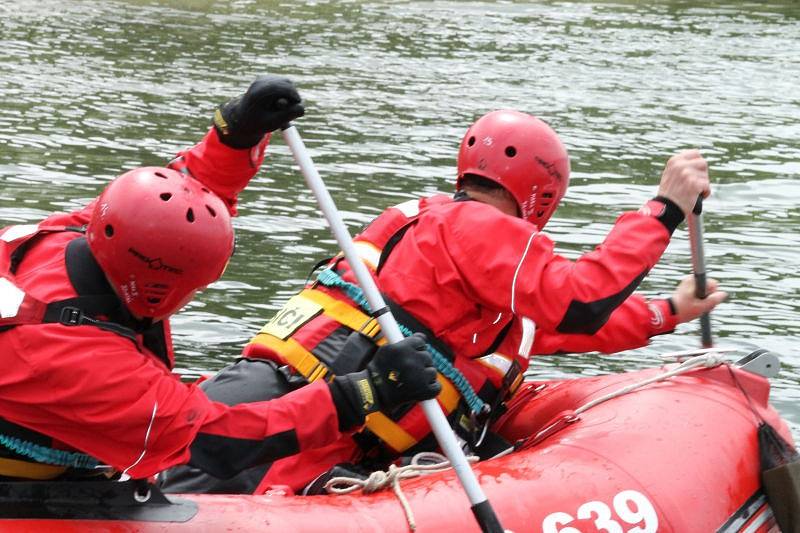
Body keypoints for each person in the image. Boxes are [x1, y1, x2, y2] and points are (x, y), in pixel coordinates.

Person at [158, 109, 727, 496]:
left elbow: (549, 328)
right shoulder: (478, 229)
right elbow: (579, 302)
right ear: (542, 193)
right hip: (296, 424)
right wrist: (664, 211)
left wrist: (668, 311)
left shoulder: (443, 237)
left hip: (283, 405)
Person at [0, 76, 441, 483]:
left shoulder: (59, 240)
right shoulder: (87, 361)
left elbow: (177, 196)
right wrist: (362, 392)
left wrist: (235, 138)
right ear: (161, 288)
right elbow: (215, 438)